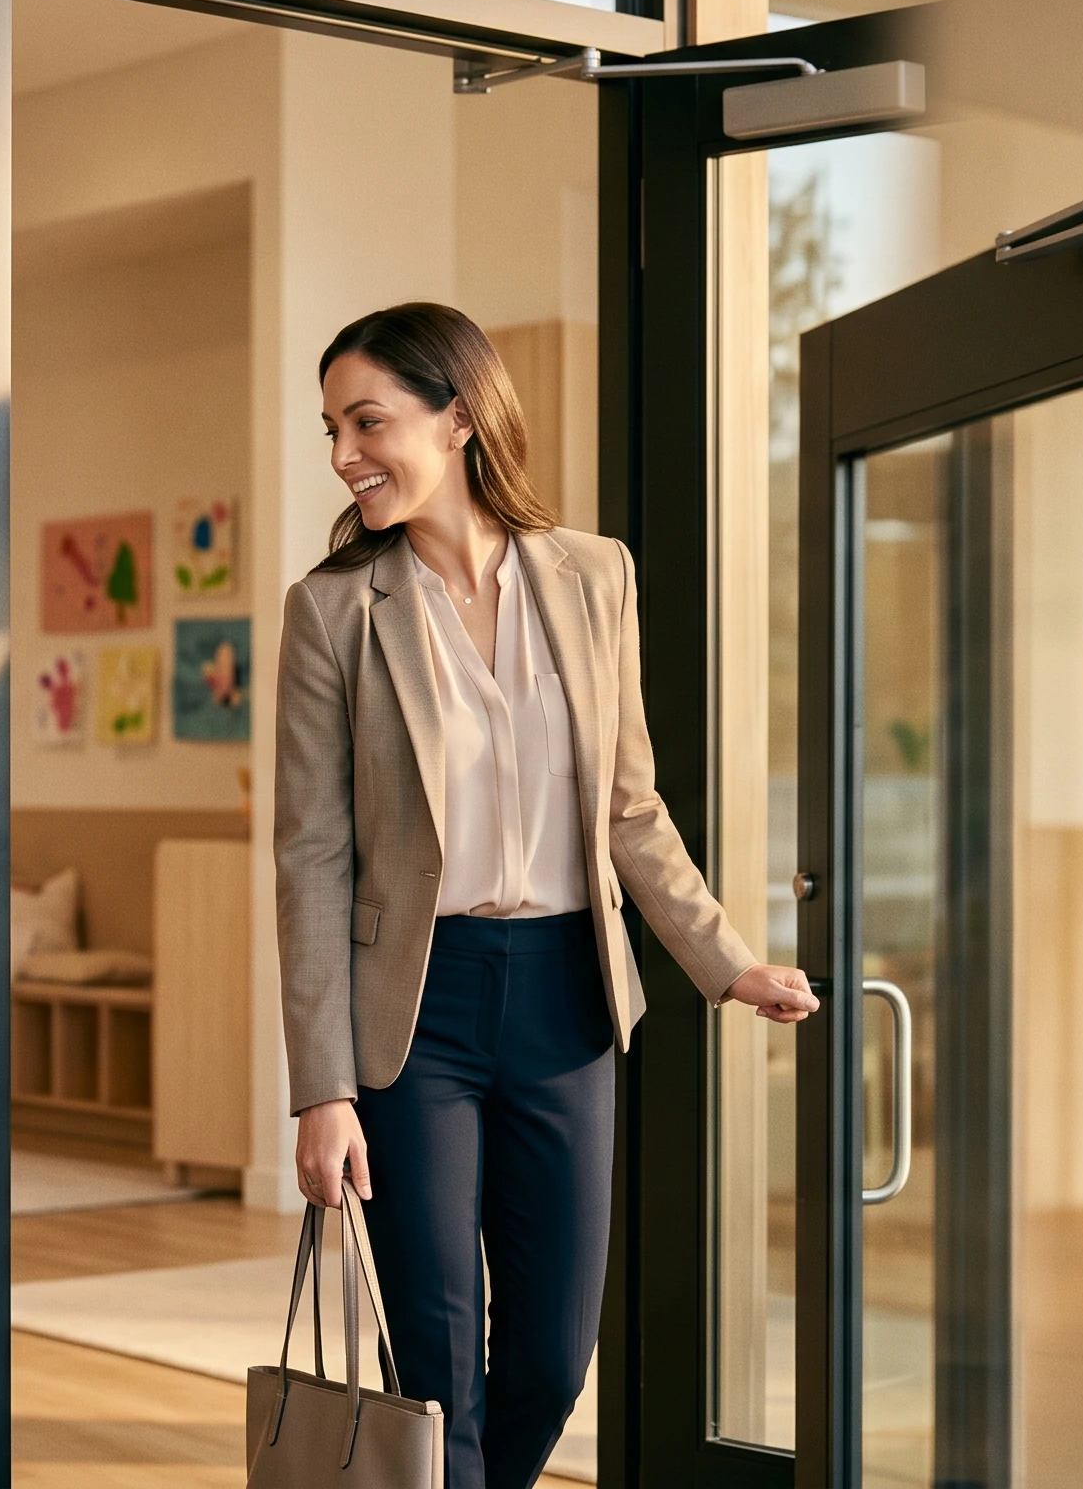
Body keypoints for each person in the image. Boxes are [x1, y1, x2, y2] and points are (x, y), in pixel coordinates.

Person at [277, 302, 820, 1489]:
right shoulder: (332, 610)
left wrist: (724, 961)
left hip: (569, 997)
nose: (342, 456)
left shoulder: (590, 576)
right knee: (432, 1358)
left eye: (367, 422)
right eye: (330, 429)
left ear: (459, 416)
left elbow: (628, 809)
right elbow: (310, 857)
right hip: (410, 1012)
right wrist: (319, 1090)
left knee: (551, 1355)